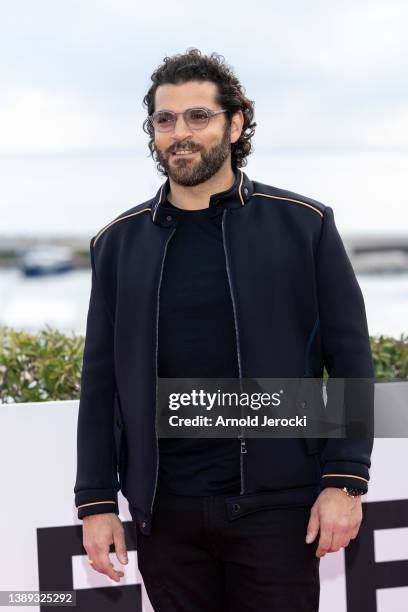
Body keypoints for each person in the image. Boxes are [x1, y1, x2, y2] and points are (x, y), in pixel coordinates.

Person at [74, 48, 374, 611]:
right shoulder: (116, 244)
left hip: (278, 510)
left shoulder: (303, 224)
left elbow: (352, 359)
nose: (179, 133)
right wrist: (96, 501)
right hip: (166, 517)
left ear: (234, 124)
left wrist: (344, 478)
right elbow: (101, 383)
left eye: (197, 116)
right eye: (164, 120)